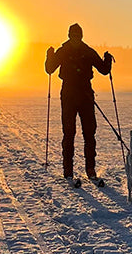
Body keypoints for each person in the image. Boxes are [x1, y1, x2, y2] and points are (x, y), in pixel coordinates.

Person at [44, 23, 113, 185]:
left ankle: (90, 169)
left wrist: (107, 60)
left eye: (77, 35)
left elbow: (103, 70)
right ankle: (68, 171)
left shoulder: (87, 51)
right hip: (69, 95)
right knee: (69, 133)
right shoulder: (64, 51)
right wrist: (50, 56)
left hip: (85, 96)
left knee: (89, 133)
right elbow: (49, 69)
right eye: (73, 35)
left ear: (80, 36)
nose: (75, 38)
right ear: (69, 35)